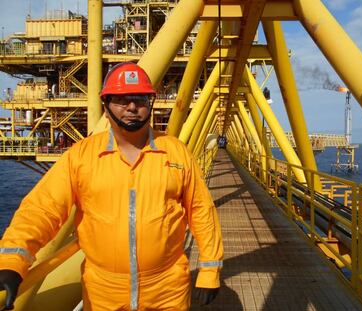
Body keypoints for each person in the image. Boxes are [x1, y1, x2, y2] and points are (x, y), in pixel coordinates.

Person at [0, 62, 223, 310]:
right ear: (106, 107)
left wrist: (209, 270)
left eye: (139, 99)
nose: (131, 106)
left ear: (150, 103)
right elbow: (42, 209)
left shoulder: (175, 152)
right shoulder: (82, 156)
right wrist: (12, 262)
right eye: (120, 99)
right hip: (104, 290)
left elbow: (202, 211)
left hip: (166, 287)